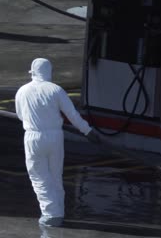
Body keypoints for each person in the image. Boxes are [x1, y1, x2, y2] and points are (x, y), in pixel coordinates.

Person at [15, 58, 100, 227]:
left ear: (32, 72)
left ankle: (51, 214)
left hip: (33, 136)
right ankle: (59, 211)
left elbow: (20, 115)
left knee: (39, 176)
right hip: (55, 137)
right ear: (49, 72)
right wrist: (87, 131)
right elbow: (72, 115)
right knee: (55, 175)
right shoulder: (56, 90)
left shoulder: (22, 91)